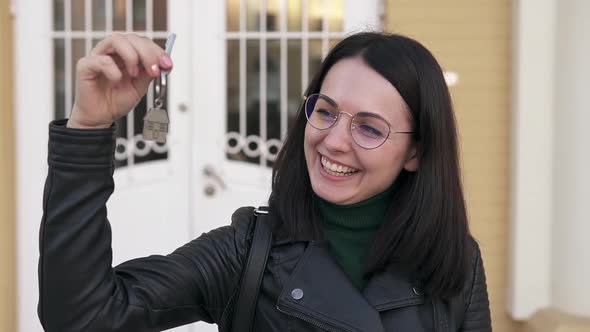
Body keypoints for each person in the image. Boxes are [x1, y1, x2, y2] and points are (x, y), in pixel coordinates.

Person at [39, 31, 492, 331]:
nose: (333, 142)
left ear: (416, 152)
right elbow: (83, 317)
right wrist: (87, 130)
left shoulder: (454, 259)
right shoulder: (248, 252)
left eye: (369, 128)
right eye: (326, 111)